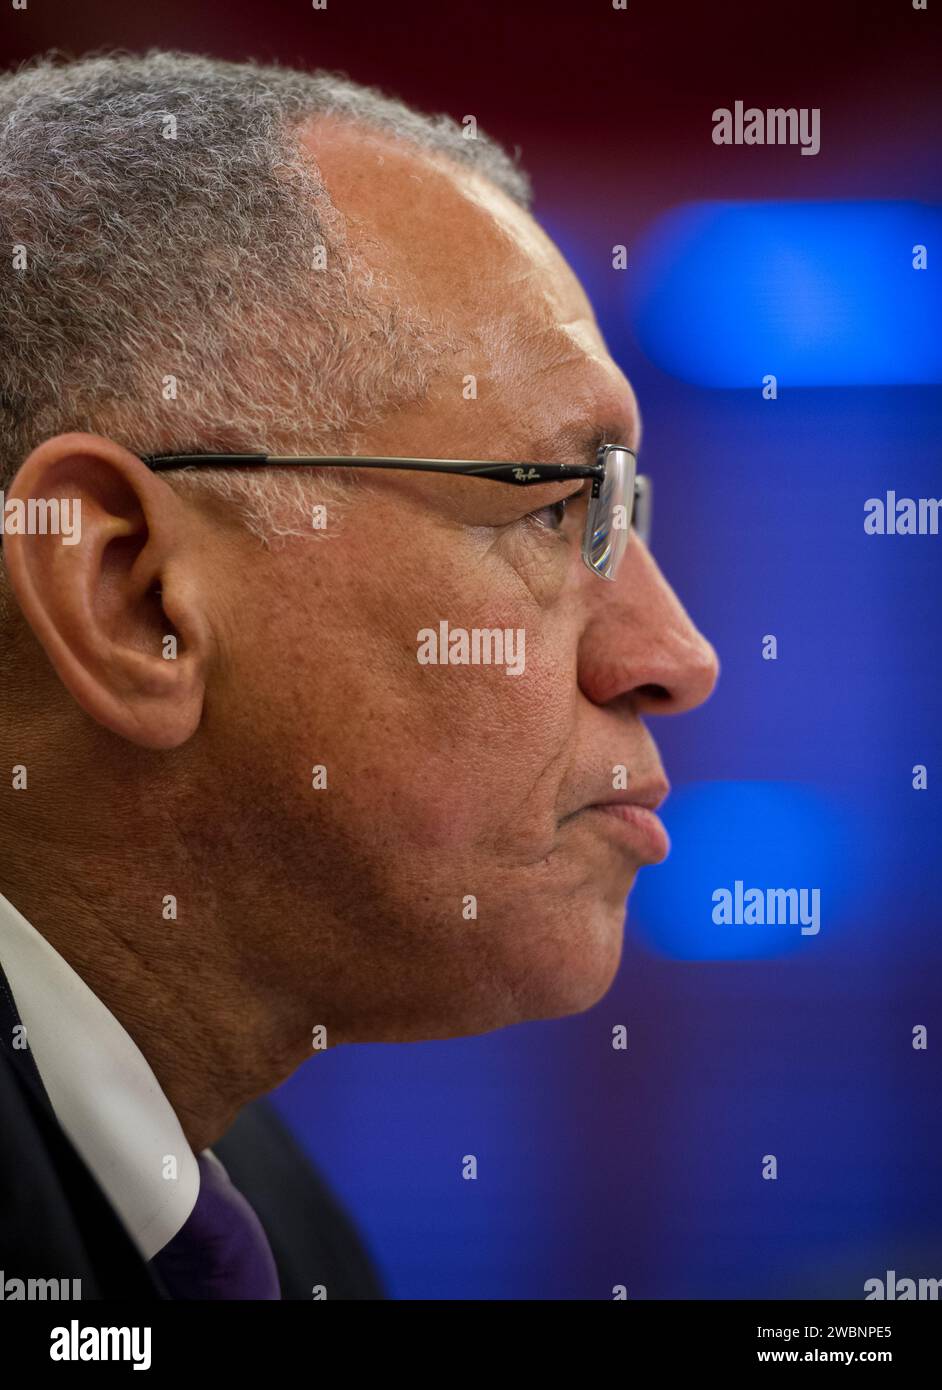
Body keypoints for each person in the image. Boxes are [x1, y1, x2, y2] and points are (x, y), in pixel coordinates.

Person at [0, 51, 718, 1299]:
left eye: (625, 511)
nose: (676, 658)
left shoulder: (265, 1215)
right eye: (553, 505)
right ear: (128, 594)